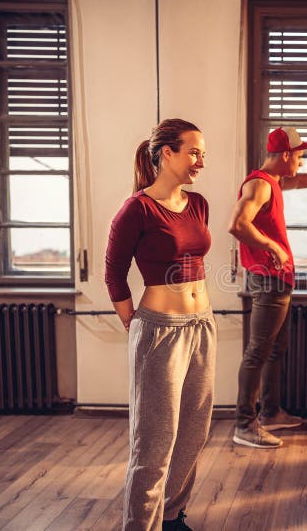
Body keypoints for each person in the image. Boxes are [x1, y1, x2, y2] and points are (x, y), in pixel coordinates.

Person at [105, 119, 215, 531]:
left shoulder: (198, 203)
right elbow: (114, 272)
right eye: (193, 151)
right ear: (166, 153)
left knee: (194, 432)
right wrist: (134, 323)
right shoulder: (137, 208)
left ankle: (171, 516)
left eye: (203, 153)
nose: (201, 160)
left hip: (201, 326)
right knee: (153, 444)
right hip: (159, 330)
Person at [228, 127, 307, 449]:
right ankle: (244, 424)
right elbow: (237, 225)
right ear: (285, 155)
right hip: (269, 278)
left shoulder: (273, 182)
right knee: (258, 351)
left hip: (276, 280)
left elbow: (297, 181)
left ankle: (270, 412)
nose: (302, 162)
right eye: (299, 156)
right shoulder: (258, 185)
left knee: (275, 349)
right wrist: (274, 248)